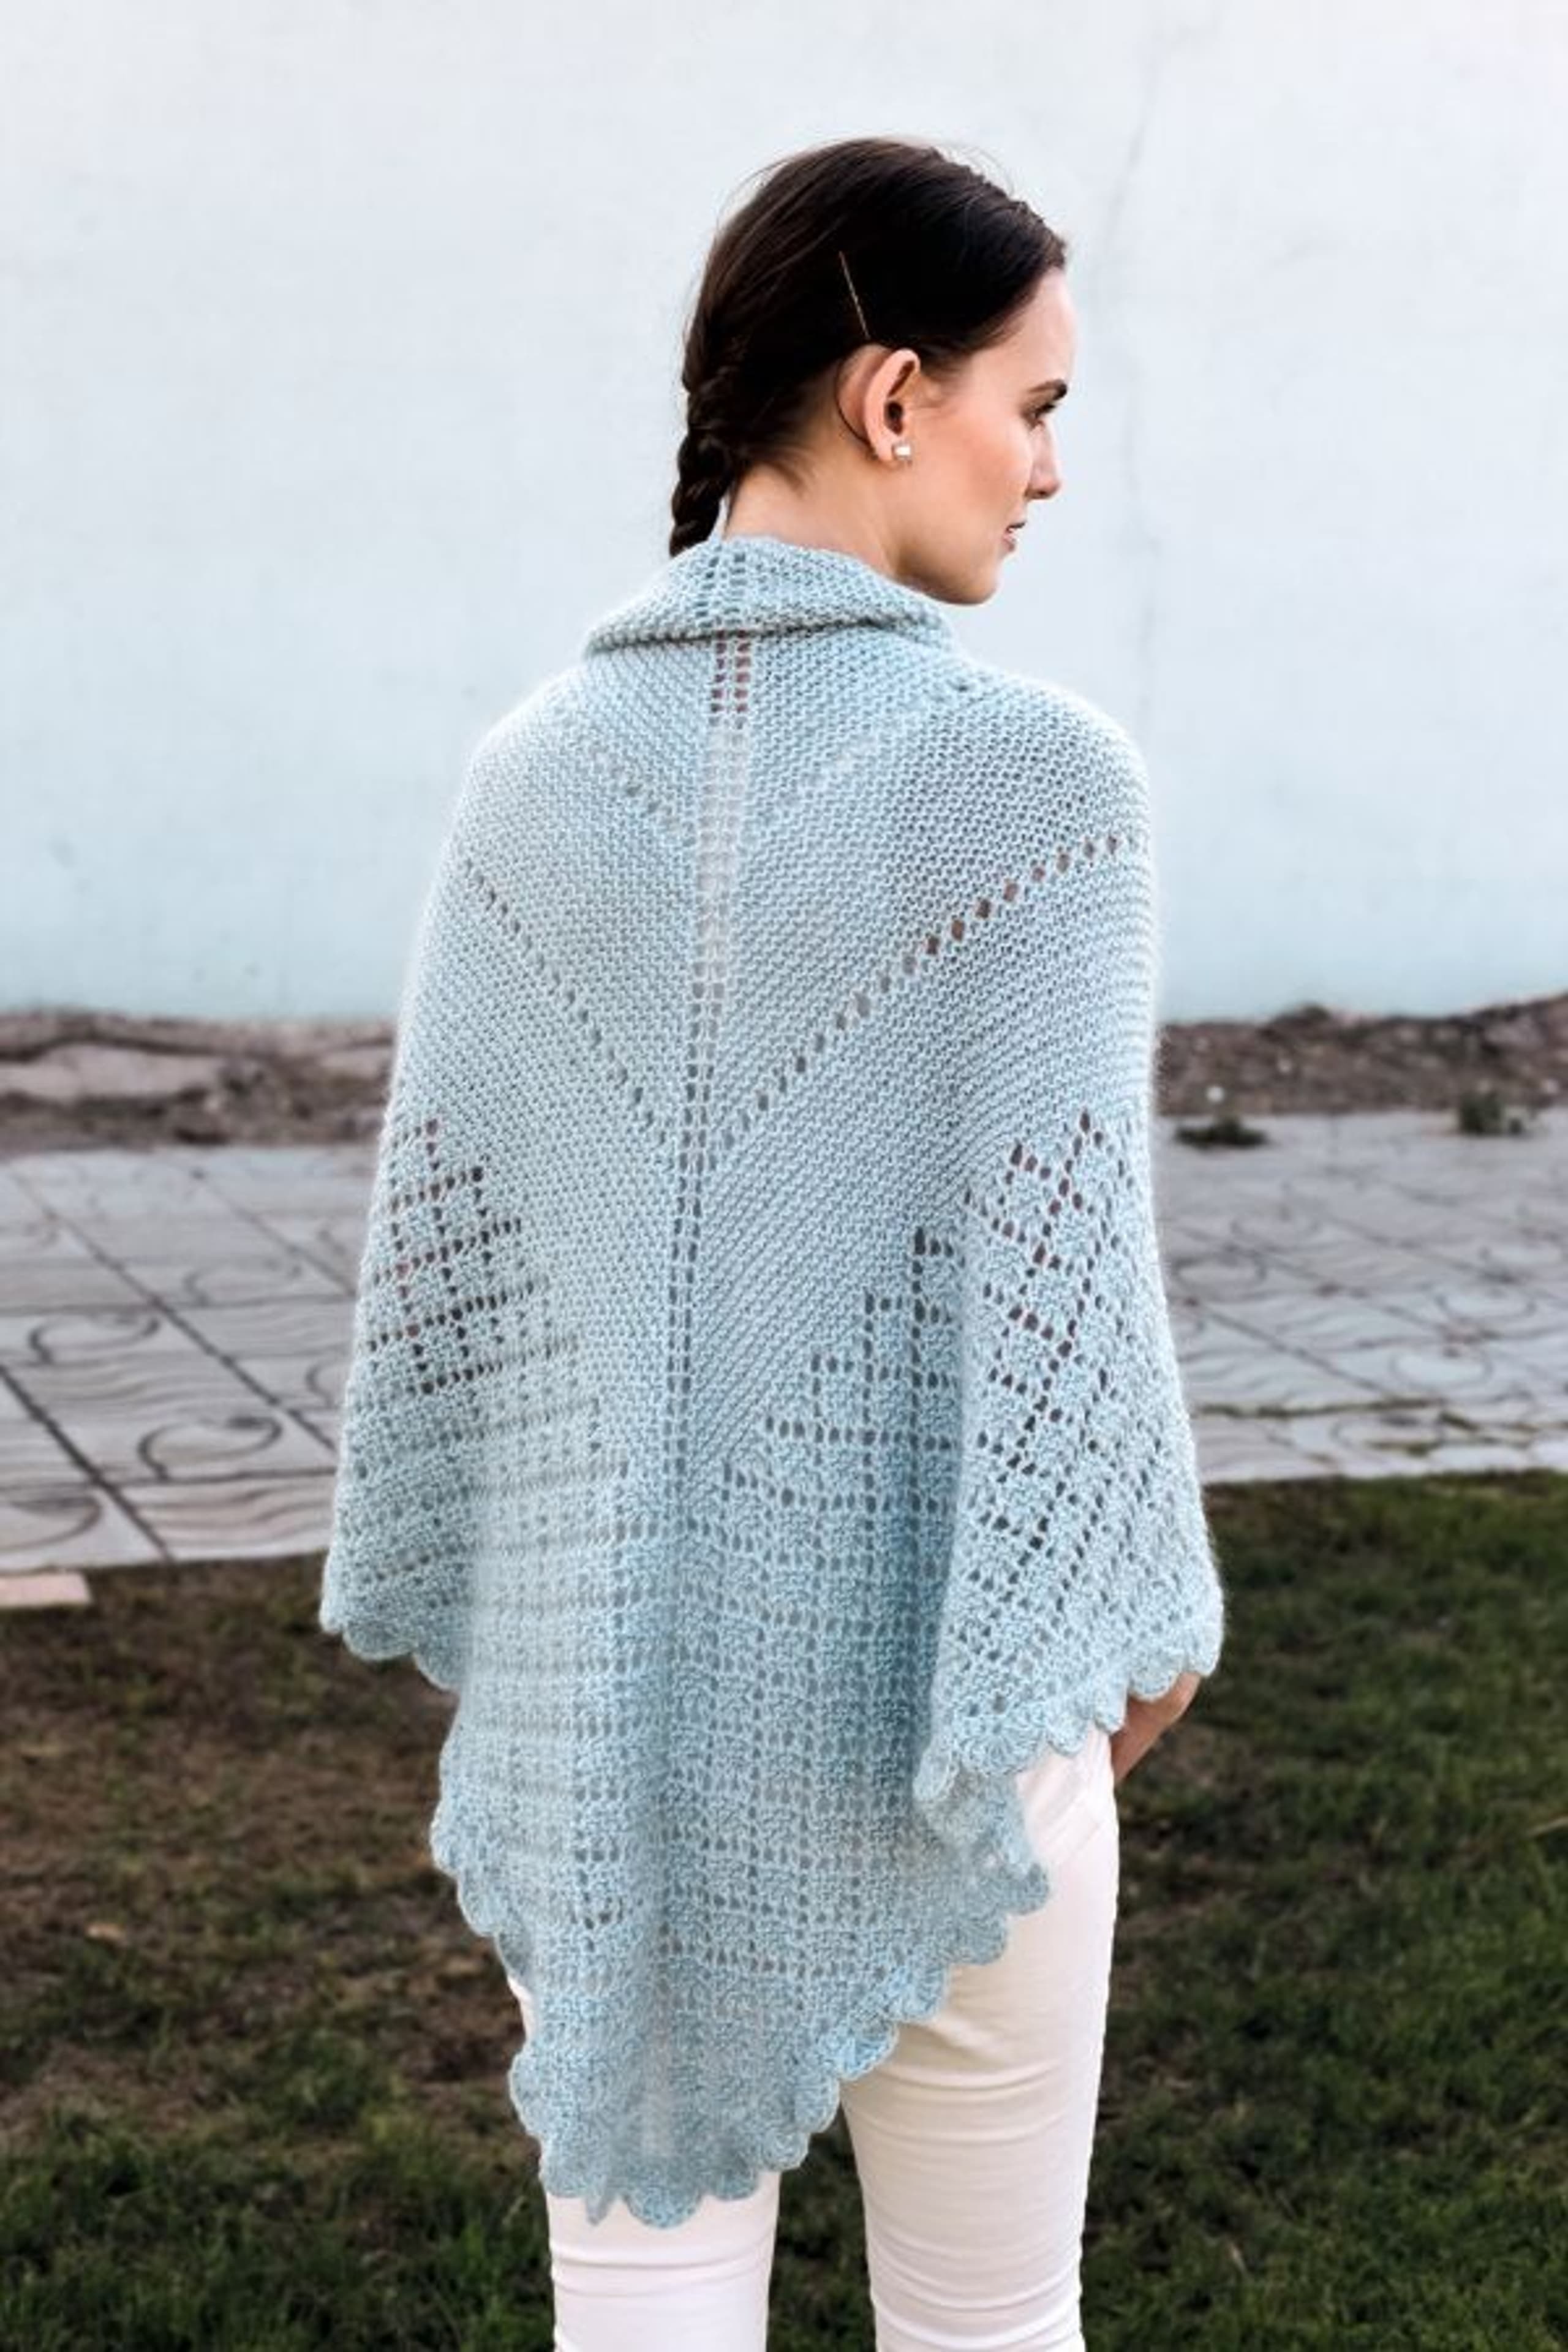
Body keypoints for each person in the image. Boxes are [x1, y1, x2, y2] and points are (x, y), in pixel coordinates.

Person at [319, 130, 1223, 2351]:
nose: (1050, 469)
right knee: (990, 2329)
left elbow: (452, 1312)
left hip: (606, 1738)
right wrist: (1139, 1615)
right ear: (895, 396)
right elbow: (1074, 1303)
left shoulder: (529, 783)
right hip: (960, 1731)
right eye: (1036, 407)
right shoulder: (1045, 793)